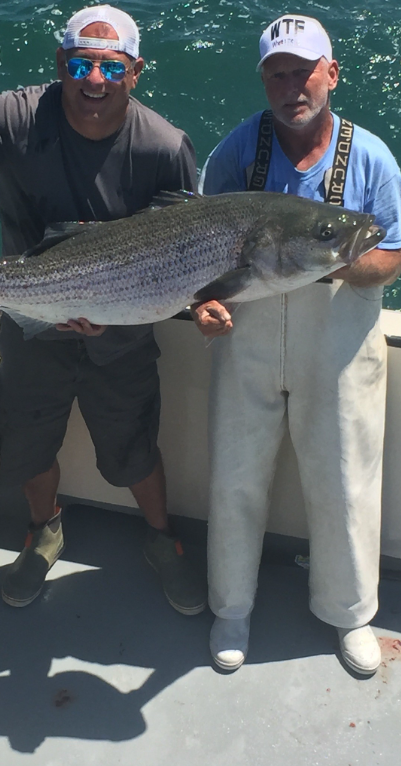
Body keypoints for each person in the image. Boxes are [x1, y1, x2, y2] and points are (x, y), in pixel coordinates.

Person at [0, 5, 207, 615]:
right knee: (30, 445)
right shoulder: (19, 114)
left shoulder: (165, 147)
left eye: (111, 68)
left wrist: (119, 312)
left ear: (135, 72)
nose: (94, 81)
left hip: (122, 331)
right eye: (81, 64)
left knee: (134, 448)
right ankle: (44, 531)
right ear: (61, 63)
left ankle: (163, 539)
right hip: (31, 322)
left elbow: (185, 253)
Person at [194, 14, 401, 673]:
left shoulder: (369, 157)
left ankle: (350, 616)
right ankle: (230, 607)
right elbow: (197, 251)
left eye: (303, 70)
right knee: (234, 476)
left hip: (338, 348)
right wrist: (204, 305)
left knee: (345, 480)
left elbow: (390, 253)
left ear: (331, 72)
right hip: (246, 341)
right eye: (277, 74)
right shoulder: (233, 154)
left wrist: (318, 260)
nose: (292, 86)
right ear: (263, 81)